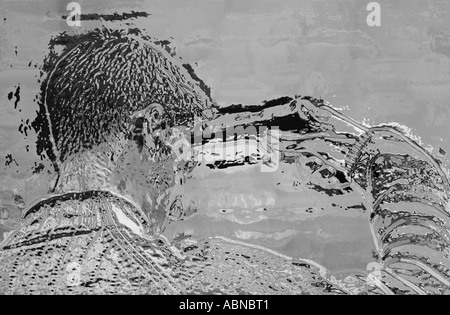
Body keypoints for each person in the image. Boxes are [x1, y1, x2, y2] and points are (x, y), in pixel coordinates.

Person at [0, 27, 449, 295]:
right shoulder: (194, 280)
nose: (179, 183)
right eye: (185, 152)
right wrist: (407, 180)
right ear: (149, 128)